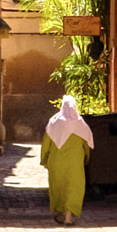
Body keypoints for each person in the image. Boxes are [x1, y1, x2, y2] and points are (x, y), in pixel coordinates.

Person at [40, 95, 93, 225]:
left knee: (58, 186)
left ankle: (60, 214)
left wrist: (44, 159)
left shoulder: (54, 122)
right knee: (74, 187)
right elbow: (87, 145)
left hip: (56, 162)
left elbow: (46, 144)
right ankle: (68, 217)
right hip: (75, 162)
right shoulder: (81, 124)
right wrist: (86, 159)